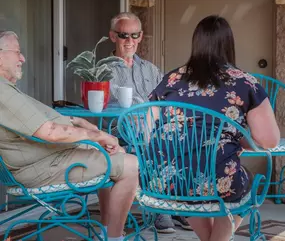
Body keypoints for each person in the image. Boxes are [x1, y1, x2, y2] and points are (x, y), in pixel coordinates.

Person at [147, 15, 280, 241]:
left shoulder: (170, 80)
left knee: (190, 176)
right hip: (218, 179)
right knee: (243, 182)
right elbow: (269, 141)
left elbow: (149, 127)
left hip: (163, 178)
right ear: (229, 45)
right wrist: (240, 138)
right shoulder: (244, 82)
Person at [0, 31, 138, 241]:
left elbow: (44, 126)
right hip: (40, 169)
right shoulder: (3, 93)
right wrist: (98, 135)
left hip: (45, 160)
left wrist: (86, 128)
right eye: (17, 52)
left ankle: (106, 230)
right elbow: (51, 132)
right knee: (131, 165)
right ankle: (114, 237)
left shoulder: (7, 89)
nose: (22, 58)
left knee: (109, 153)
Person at [107, 12, 191, 233]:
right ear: (113, 36)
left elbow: (168, 96)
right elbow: (115, 102)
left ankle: (178, 205)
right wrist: (147, 112)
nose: (130, 41)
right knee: (146, 131)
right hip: (120, 131)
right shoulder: (103, 69)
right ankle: (160, 208)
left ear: (141, 36)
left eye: (134, 35)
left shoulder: (150, 69)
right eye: (124, 35)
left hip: (152, 128)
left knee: (184, 138)